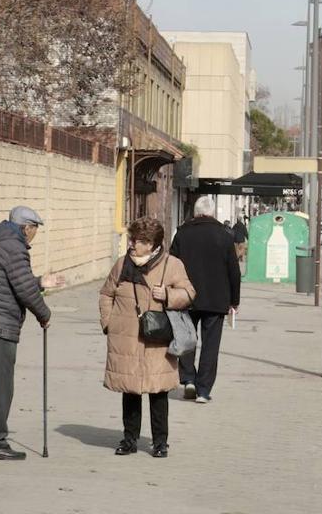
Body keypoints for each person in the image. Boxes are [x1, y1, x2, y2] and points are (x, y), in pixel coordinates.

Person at [0, 206, 63, 460]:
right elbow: (24, 290)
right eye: (34, 230)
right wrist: (44, 314)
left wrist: (40, 281)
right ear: (26, 227)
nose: (33, 236)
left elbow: (11, 281)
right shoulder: (14, 247)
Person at [99, 217, 194, 458]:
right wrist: (108, 322)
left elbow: (189, 293)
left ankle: (160, 442)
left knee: (158, 392)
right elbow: (106, 294)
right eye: (132, 239)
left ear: (152, 244)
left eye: (138, 241)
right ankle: (129, 439)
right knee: (129, 391)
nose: (132, 244)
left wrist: (169, 295)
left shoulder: (172, 265)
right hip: (127, 338)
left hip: (157, 340)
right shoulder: (122, 265)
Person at [170, 196, 241, 403]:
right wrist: (234, 301)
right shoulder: (225, 235)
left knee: (186, 339)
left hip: (186, 297)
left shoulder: (182, 233)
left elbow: (171, 264)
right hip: (216, 299)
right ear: (212, 213)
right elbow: (233, 271)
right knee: (211, 346)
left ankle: (188, 379)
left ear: (196, 212)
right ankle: (203, 390)